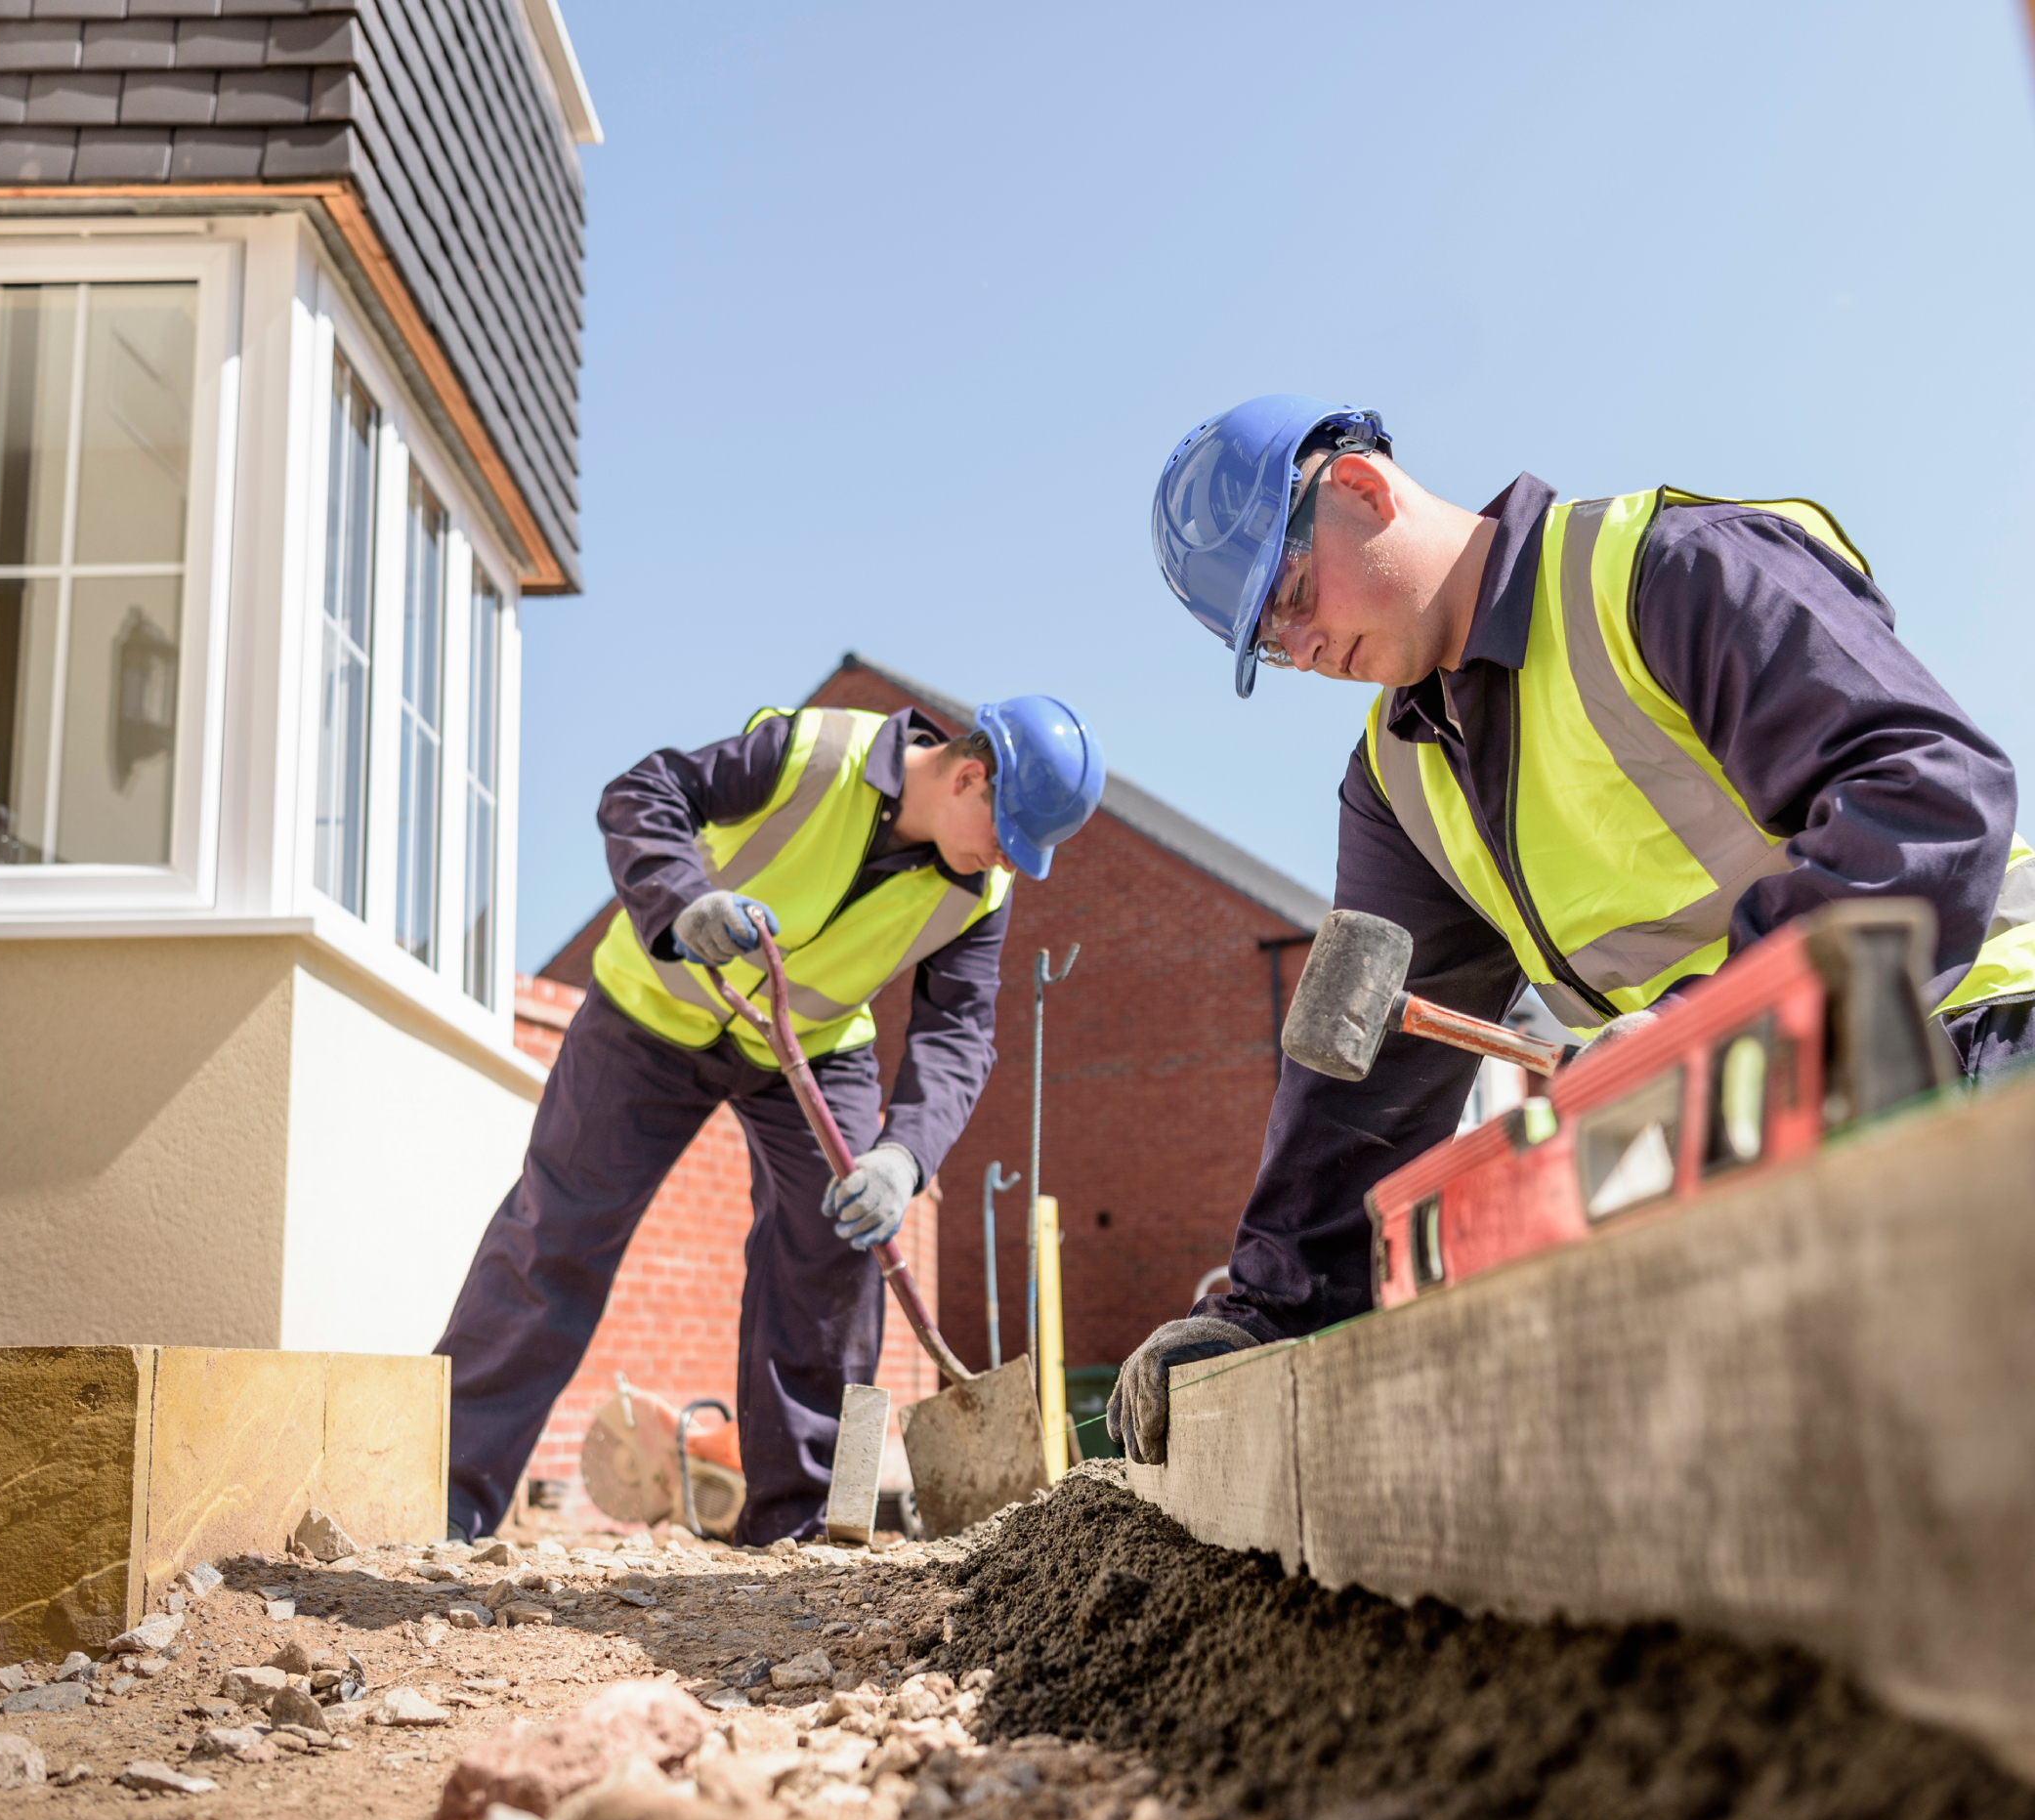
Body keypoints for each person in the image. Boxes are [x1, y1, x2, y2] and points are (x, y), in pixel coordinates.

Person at [1110, 393, 2035, 1463]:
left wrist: (1703, 1033)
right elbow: (1368, 1071)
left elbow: (1928, 795)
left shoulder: (1662, 568)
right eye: (1270, 644)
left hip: (1969, 1030)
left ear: (1360, 488)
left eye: (1292, 591)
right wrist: (1267, 1308)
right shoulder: (1401, 781)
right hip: (1761, 1123)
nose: (1305, 644)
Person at [437, 694, 1106, 1540]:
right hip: (649, 1016)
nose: (1004, 862)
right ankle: (446, 1496)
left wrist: (903, 1158)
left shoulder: (982, 893)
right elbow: (643, 792)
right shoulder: (817, 753)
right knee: (555, 1238)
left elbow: (960, 1031)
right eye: (1005, 836)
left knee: (844, 1244)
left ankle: (801, 1531)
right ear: (969, 775)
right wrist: (682, 900)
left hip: (814, 1047)